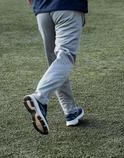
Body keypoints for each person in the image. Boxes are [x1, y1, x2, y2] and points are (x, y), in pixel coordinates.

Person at [23, 0, 88, 134]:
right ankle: (39, 98)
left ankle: (71, 112)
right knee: (65, 56)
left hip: (41, 9)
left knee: (55, 62)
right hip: (68, 7)